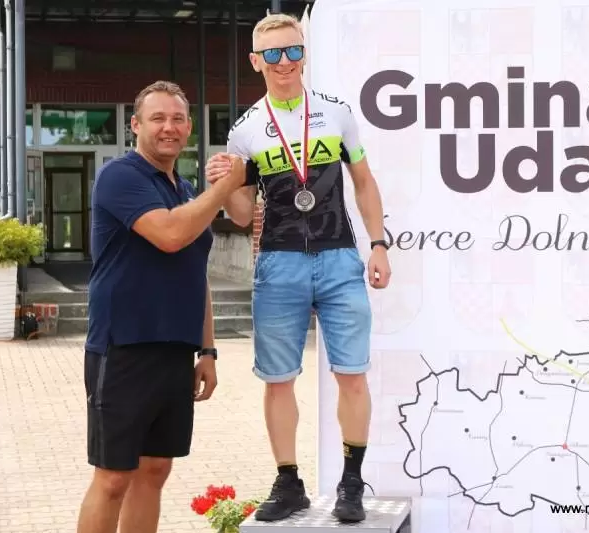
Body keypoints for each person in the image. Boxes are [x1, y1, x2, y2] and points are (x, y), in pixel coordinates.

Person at [205, 12, 392, 524]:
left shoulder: (336, 113)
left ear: (304, 54)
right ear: (255, 61)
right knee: (278, 380)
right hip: (278, 263)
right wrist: (225, 183)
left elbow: (364, 182)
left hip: (339, 258)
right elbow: (241, 214)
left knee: (352, 375)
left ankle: (351, 482)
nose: (284, 62)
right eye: (272, 54)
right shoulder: (244, 131)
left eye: (293, 50)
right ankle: (289, 483)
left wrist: (379, 244)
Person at [76, 80, 246, 533]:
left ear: (189, 128)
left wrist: (207, 351)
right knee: (113, 477)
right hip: (123, 349)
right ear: (135, 125)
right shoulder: (120, 176)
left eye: (177, 119)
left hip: (175, 352)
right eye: (157, 118)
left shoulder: (185, 189)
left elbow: (196, 273)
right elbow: (170, 235)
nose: (168, 127)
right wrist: (224, 188)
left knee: (154, 472)